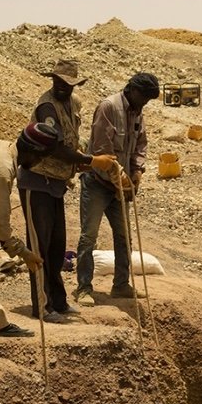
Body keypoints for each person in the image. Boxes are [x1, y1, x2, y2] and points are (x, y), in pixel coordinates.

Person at [0, 125, 116, 356]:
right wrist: (24, 253)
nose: (37, 164)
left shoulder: (3, 147)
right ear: (33, 154)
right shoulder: (3, 169)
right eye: (41, 158)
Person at [17, 59, 94, 324]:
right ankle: (42, 305)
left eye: (67, 84)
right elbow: (56, 147)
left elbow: (74, 138)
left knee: (56, 246)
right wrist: (90, 162)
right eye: (58, 82)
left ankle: (58, 301)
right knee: (39, 246)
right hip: (38, 179)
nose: (61, 87)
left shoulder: (73, 104)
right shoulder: (46, 105)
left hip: (56, 185)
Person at [74, 72, 158, 306]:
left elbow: (141, 144)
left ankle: (121, 284)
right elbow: (103, 149)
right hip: (98, 183)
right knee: (88, 236)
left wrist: (137, 171)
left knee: (124, 237)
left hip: (120, 188)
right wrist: (120, 178)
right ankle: (84, 288)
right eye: (144, 97)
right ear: (132, 89)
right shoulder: (109, 107)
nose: (145, 103)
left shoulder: (137, 112)